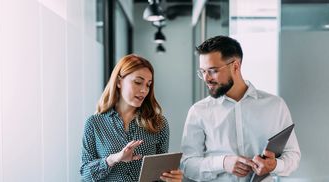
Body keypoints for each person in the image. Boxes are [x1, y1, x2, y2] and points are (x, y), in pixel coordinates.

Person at [180, 36, 301, 181]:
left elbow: (293, 155)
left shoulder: (275, 105)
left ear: (235, 66)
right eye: (203, 72)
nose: (206, 78)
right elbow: (187, 165)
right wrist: (223, 163)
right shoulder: (198, 111)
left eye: (212, 71)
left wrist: (275, 165)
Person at [80, 54, 183, 182]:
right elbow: (85, 174)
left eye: (148, 85)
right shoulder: (94, 123)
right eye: (138, 82)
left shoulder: (158, 124)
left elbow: (159, 176)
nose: (144, 90)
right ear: (118, 82)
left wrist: (170, 178)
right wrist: (113, 159)